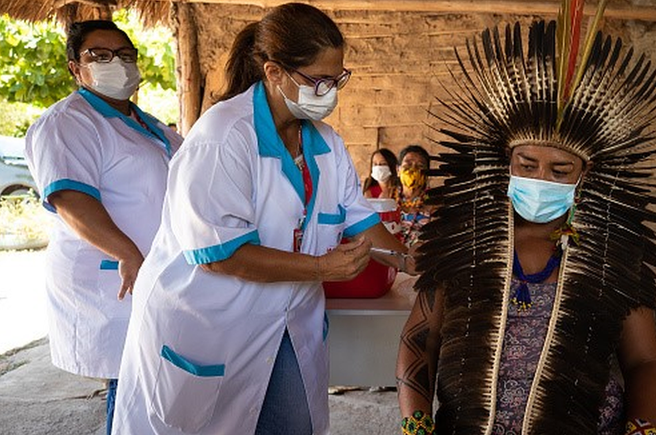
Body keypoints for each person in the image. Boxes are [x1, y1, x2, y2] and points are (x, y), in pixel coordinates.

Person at [112, 3, 410, 434]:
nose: (329, 90)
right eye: (318, 80)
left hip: (288, 325)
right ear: (274, 73)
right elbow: (221, 255)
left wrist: (407, 261)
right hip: (209, 324)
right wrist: (321, 268)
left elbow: (359, 219)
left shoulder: (325, 144)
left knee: (293, 423)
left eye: (337, 78)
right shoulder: (223, 138)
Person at [396, 12, 656, 435]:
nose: (540, 180)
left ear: (585, 174)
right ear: (505, 161)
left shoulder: (609, 251)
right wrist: (416, 423)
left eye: (560, 171)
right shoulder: (463, 240)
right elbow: (419, 339)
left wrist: (642, 428)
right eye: (527, 165)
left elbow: (646, 360)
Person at [23, 20, 182, 434]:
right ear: (76, 68)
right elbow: (71, 200)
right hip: (114, 278)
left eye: (125, 55)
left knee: (154, 386)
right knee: (130, 385)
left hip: (155, 275)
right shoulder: (67, 122)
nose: (118, 63)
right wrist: (126, 252)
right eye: (101, 56)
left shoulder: (153, 126)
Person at [395, 144, 433, 247]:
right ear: (398, 170)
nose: (413, 169)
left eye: (420, 166)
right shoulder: (387, 200)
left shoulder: (434, 204)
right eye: (408, 164)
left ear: (427, 174)